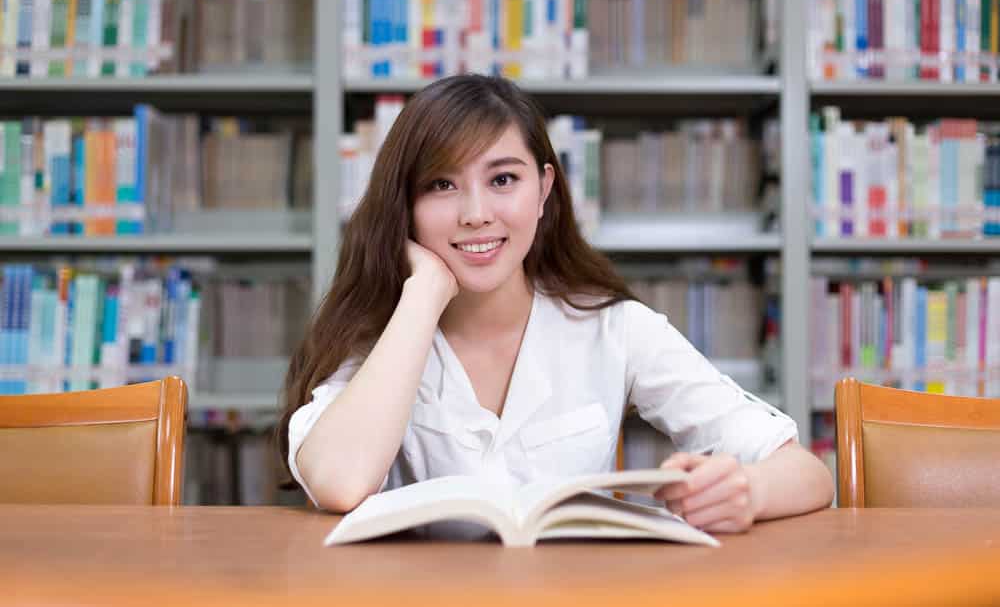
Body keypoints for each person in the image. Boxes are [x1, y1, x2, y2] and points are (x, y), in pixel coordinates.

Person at [278, 74, 833, 533]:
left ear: (544, 190)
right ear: (405, 205)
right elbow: (339, 481)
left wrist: (748, 492)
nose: (475, 213)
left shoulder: (613, 328)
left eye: (502, 179)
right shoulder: (381, 334)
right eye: (441, 186)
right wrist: (422, 293)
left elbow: (808, 474)